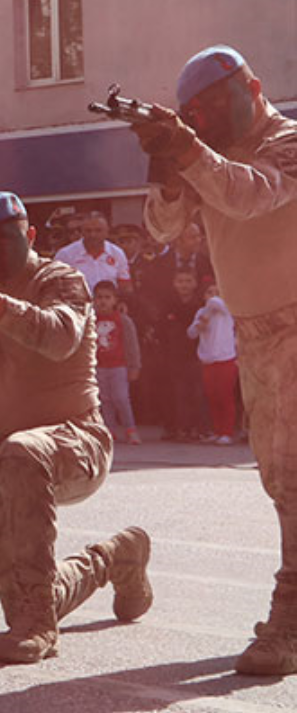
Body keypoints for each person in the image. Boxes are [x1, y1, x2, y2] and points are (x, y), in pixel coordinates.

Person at [0, 191, 152, 663]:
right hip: (0, 457)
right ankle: (115, 557)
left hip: (75, 441)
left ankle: (40, 628)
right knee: (19, 594)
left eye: (6, 238)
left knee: (25, 453)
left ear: (31, 235)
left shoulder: (60, 279)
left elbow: (59, 337)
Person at [137, 44, 297, 675]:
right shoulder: (210, 157)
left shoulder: (284, 141)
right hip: (256, 335)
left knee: (292, 476)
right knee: (280, 479)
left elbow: (251, 196)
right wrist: (168, 167)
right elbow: (160, 226)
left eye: (211, 106)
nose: (203, 120)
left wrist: (189, 152)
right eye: (192, 113)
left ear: (253, 87)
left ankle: (289, 618)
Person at [156, 267, 208, 442]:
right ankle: (177, 428)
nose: (184, 285)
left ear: (195, 283)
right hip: (173, 355)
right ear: (174, 283)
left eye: (188, 281)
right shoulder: (168, 304)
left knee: (196, 393)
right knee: (177, 393)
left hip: (197, 355)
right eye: (180, 281)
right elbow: (161, 329)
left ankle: (197, 429)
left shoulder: (202, 305)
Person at [189, 279, 239, 446]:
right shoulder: (201, 313)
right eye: (209, 292)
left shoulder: (226, 310)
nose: (213, 296)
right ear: (202, 295)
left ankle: (227, 432)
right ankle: (218, 431)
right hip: (208, 360)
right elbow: (191, 333)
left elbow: (215, 303)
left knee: (225, 396)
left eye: (217, 292)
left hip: (226, 359)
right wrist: (199, 325)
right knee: (213, 397)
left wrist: (210, 307)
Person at [92, 280, 142, 445]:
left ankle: (130, 429)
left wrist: (134, 366)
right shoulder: (91, 320)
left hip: (119, 366)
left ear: (115, 300)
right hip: (99, 366)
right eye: (99, 297)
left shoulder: (123, 320)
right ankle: (109, 430)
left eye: (107, 297)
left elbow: (132, 344)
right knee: (104, 399)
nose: (103, 301)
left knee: (121, 398)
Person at [54, 211, 132, 295]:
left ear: (107, 231)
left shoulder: (117, 253)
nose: (93, 235)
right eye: (88, 231)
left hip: (108, 306)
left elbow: (125, 286)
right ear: (82, 232)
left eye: (98, 230)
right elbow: (54, 286)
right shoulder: (65, 254)